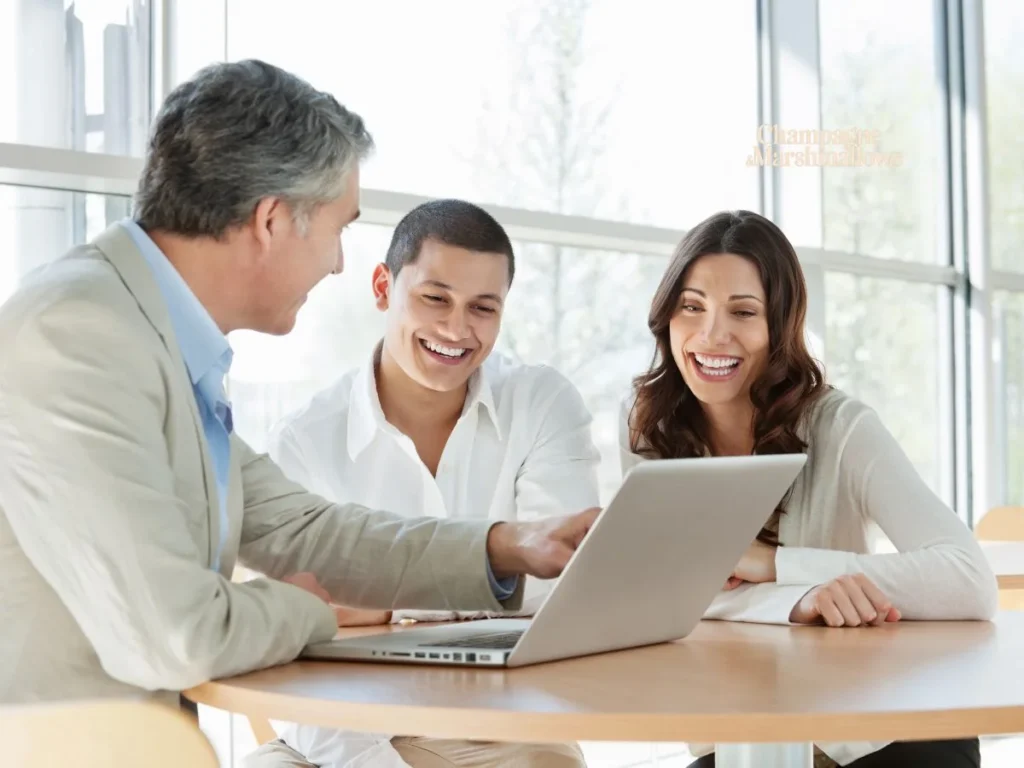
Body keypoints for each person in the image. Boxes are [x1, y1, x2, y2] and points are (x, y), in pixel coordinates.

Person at [0, 60, 598, 709]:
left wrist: (507, 546)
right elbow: (179, 635)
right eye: (339, 227)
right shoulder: (80, 334)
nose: (339, 259)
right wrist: (309, 611)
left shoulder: (156, 338)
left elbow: (303, 528)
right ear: (272, 220)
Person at [620, 210, 997, 768]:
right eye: (691, 307)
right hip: (739, 735)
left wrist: (772, 563)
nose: (711, 335)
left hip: (877, 732)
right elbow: (649, 593)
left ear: (780, 325)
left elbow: (969, 581)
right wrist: (798, 600)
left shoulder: (840, 426)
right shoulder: (648, 426)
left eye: (743, 312)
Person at [244, 198, 600, 768]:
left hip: (508, 729)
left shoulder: (540, 404)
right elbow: (304, 636)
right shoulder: (307, 441)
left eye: (483, 308)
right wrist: (483, 595)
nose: (457, 329)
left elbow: (568, 589)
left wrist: (391, 610)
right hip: (344, 727)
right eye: (435, 298)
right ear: (384, 287)